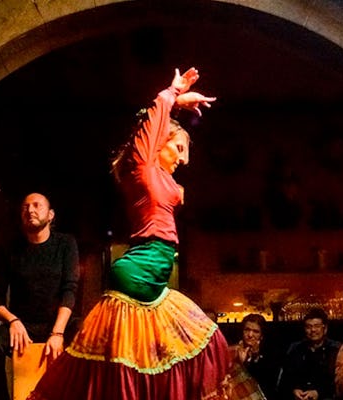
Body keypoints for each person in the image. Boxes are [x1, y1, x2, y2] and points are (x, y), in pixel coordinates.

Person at [27, 67, 223, 399]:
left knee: (152, 359)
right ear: (157, 143)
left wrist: (177, 110)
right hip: (140, 270)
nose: (184, 159)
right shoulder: (142, 167)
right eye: (178, 148)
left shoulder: (161, 177)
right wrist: (171, 94)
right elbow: (148, 124)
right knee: (196, 346)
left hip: (153, 273)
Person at [0, 192, 79, 397]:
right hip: (22, 325)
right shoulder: (9, 248)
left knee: (88, 336)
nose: (30, 210)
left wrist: (57, 333)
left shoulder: (66, 244)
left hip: (56, 323)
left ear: (50, 215)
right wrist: (13, 321)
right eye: (25, 207)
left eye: (36, 205)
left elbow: (70, 290)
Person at [281, 308, 342, 400]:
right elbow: (285, 379)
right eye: (308, 327)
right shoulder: (295, 348)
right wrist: (294, 390)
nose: (313, 330)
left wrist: (318, 393)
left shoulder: (336, 349)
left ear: (325, 328)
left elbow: (339, 381)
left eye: (317, 326)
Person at [226, 313, 280, 399]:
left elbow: (267, 384)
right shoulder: (231, 352)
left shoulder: (270, 354)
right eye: (247, 330)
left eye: (256, 331)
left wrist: (249, 361)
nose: (250, 335)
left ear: (262, 335)